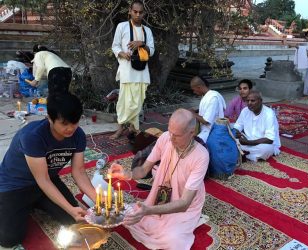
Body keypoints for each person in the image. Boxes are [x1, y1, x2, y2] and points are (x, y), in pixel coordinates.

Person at [0, 93, 96, 249]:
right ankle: (24, 205)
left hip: (47, 182)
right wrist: (70, 208)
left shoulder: (78, 135)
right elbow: (42, 179)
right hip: (15, 185)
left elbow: (79, 171)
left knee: (74, 219)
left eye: (75, 122)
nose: (70, 128)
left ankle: (37, 202)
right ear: (50, 118)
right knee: (9, 239)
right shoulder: (33, 136)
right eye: (64, 123)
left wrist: (98, 199)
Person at [108, 109, 209, 249]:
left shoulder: (201, 156)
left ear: (191, 132)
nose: (171, 137)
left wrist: (148, 211)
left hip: (185, 204)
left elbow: (185, 203)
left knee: (173, 240)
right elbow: (143, 169)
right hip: (161, 197)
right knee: (125, 215)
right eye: (170, 131)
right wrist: (127, 174)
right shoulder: (165, 138)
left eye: (177, 135)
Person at [111, 0, 155, 139]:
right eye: (135, 11)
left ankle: (133, 128)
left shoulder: (147, 31)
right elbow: (115, 46)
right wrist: (122, 53)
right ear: (130, 11)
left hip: (142, 72)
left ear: (144, 13)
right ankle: (120, 129)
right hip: (127, 70)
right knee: (124, 102)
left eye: (140, 12)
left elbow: (152, 51)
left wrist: (141, 44)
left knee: (138, 101)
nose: (137, 15)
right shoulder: (122, 26)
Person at [233, 90, 281, 162]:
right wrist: (236, 132)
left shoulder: (269, 113)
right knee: (229, 138)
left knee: (265, 149)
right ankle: (246, 154)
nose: (249, 103)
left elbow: (269, 139)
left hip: (262, 143)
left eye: (252, 101)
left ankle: (242, 154)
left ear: (260, 101)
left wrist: (248, 142)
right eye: (247, 101)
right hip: (246, 140)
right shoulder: (245, 111)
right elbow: (237, 126)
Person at [190, 76, 226, 143]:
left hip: (211, 131)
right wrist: (196, 111)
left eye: (194, 90)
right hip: (206, 130)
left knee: (192, 144)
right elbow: (208, 108)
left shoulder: (213, 98)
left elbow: (206, 121)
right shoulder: (207, 95)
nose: (194, 92)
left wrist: (192, 113)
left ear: (199, 87)